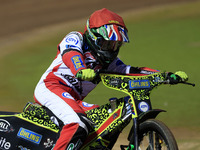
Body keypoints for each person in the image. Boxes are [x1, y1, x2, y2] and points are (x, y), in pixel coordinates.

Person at [34, 8, 188, 150]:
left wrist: (165, 76)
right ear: (94, 37)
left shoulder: (108, 62)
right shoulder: (76, 38)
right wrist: (80, 70)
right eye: (107, 43)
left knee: (105, 121)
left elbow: (130, 71)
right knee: (78, 123)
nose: (110, 49)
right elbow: (71, 54)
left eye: (115, 45)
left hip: (74, 100)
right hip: (51, 88)